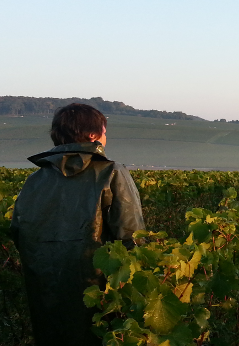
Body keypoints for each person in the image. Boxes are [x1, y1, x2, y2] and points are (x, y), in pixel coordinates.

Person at [10, 103, 145, 345]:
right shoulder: (111, 172)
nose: (106, 136)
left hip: (45, 292)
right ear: (93, 136)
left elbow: (19, 234)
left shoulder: (33, 181)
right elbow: (131, 237)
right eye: (104, 130)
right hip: (98, 294)